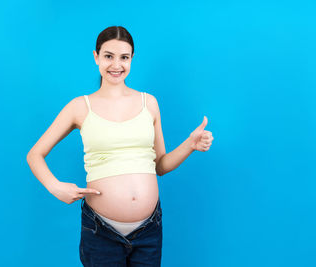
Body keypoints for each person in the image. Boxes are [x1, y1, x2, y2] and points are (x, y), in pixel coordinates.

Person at [26, 25, 214, 267]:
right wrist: (55, 187)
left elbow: (160, 166)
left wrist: (190, 145)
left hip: (149, 230)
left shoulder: (149, 103)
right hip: (101, 231)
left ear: (132, 59)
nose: (117, 65)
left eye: (124, 57)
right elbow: (35, 154)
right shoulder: (80, 107)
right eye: (108, 56)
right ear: (96, 57)